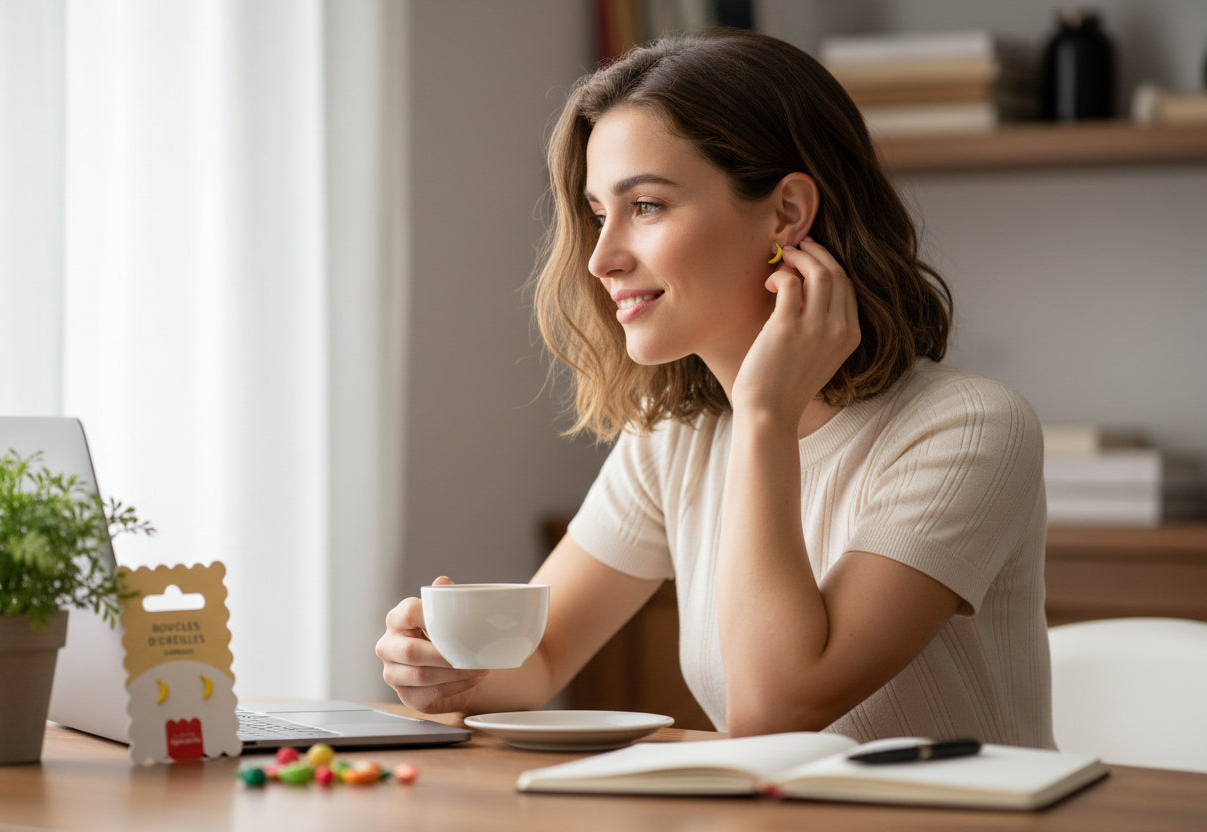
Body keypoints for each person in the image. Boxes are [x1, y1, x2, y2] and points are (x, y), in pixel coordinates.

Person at [377, 30, 1053, 748]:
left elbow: (775, 710)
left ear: (787, 214)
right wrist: (441, 670)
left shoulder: (969, 428)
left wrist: (764, 415)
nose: (602, 258)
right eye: (599, 213)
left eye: (647, 206)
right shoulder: (675, 438)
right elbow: (537, 662)